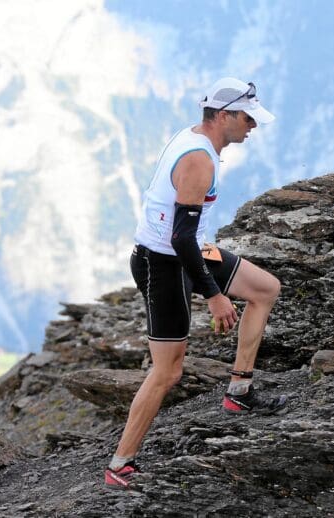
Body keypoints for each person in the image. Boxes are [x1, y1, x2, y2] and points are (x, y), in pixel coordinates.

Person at [105, 77, 287, 490]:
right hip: (163, 264)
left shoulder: (196, 138)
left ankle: (239, 390)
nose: (253, 127)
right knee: (167, 373)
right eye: (248, 118)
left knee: (265, 289)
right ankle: (120, 465)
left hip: (188, 253)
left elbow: (186, 235)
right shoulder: (198, 159)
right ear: (224, 116)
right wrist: (215, 296)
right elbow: (179, 238)